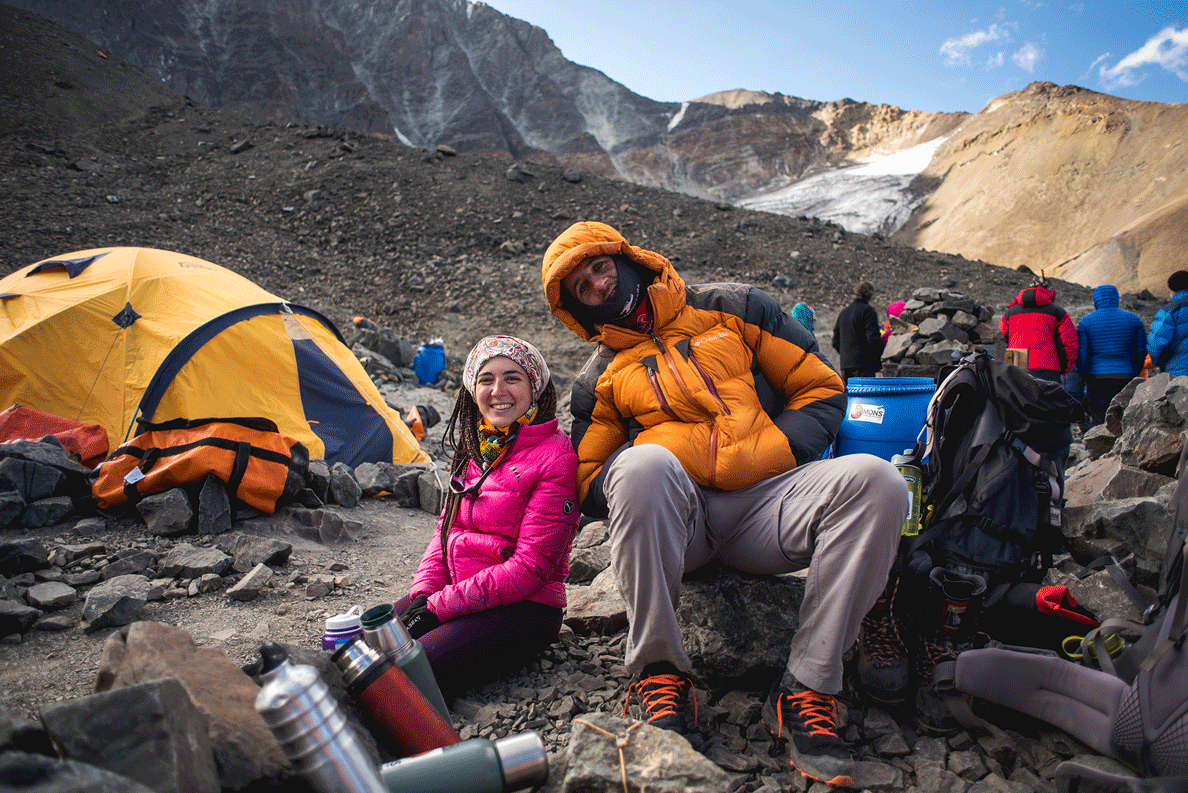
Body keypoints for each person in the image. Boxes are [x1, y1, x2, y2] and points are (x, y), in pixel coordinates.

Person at [542, 221, 908, 787]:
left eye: (599, 267)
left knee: (880, 481)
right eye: (580, 288)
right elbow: (589, 476)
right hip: (683, 526)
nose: (597, 285)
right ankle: (660, 673)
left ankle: (807, 686)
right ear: (575, 309)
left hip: (768, 506)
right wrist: (662, 466)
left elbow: (820, 387)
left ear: (626, 258)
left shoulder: (735, 308)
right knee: (640, 465)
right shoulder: (601, 379)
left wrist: (766, 454)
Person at [396, 335, 579, 701]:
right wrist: (425, 593)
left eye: (512, 378)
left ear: (534, 387)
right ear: (472, 389)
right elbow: (446, 529)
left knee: (404, 675)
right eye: (486, 380)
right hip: (460, 592)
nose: (498, 391)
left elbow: (530, 568)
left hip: (524, 609)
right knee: (360, 643)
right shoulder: (478, 444)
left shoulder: (555, 456)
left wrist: (437, 609)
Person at [1076, 285, 1147, 426]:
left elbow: (1081, 353)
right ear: (1116, 298)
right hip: (1126, 376)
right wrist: (1134, 372)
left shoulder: (1086, 322)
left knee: (1100, 422)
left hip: (1097, 378)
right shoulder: (1134, 320)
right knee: (1126, 421)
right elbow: (1140, 350)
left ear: (1095, 300)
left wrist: (1085, 376)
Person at [1000, 273, 1078, 383]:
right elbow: (1069, 344)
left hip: (1016, 365)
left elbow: (1001, 340)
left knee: (1019, 394)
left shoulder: (1009, 313)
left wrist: (1004, 367)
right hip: (1047, 368)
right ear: (1049, 291)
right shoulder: (1057, 312)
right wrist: (1065, 368)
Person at [832, 280, 883, 382]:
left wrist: (846, 354)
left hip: (846, 365)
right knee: (865, 392)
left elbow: (835, 341)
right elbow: (873, 339)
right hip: (864, 365)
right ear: (870, 294)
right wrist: (878, 359)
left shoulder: (844, 313)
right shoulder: (868, 311)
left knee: (849, 392)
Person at [1147, 270, 1188, 377]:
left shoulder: (1169, 310)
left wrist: (1156, 361)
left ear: (1172, 289)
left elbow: (1156, 344)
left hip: (1179, 372)